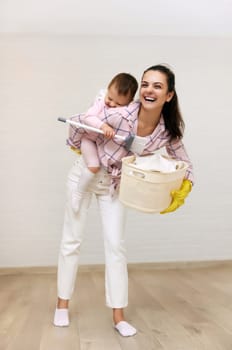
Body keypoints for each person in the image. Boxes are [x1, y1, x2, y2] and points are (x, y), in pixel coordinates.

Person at [54, 64, 194, 337]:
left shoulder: (167, 131)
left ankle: (118, 316)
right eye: (145, 84)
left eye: (157, 86)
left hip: (115, 187)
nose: (148, 90)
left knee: (116, 246)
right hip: (83, 176)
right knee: (71, 240)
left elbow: (186, 163)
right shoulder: (120, 112)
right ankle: (62, 304)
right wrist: (83, 136)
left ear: (169, 96)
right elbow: (78, 121)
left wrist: (184, 186)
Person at [70, 73, 138, 212]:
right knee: (94, 166)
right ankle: (78, 194)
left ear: (129, 102)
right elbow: (88, 117)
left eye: (118, 103)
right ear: (107, 90)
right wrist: (103, 126)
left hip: (104, 144)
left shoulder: (128, 112)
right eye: (110, 98)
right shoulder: (101, 101)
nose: (112, 104)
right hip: (89, 138)